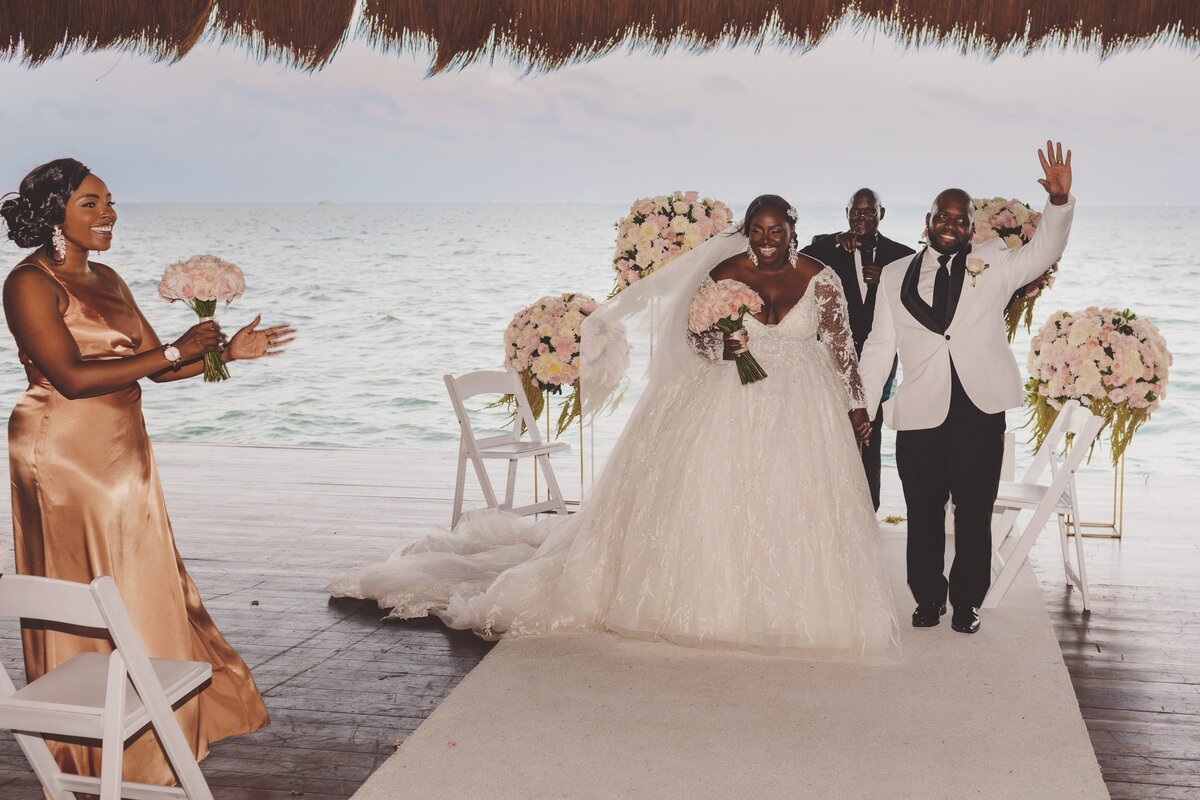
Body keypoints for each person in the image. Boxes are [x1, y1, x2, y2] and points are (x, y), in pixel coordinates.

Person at [329, 194, 900, 661]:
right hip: (731, 395)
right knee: (717, 494)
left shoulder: (822, 278)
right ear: (749, 230)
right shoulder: (725, 272)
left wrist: (856, 406)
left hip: (803, 404)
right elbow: (696, 341)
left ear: (794, 229)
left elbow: (842, 348)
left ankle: (795, 606)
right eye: (759, 229)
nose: (768, 238)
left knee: (795, 501)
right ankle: (718, 604)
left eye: (778, 229)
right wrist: (722, 343)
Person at [1, 158, 295, 785]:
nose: (107, 213)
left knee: (141, 574)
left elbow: (157, 369)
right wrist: (173, 350)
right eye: (89, 202)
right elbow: (71, 378)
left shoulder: (108, 277)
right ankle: (92, 750)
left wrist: (227, 355)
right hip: (63, 453)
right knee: (88, 582)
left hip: (122, 446)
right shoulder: (29, 283)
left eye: (109, 201)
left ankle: (153, 736)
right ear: (55, 212)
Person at [857, 141, 1075, 635]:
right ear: (928, 220)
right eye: (942, 216)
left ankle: (967, 602)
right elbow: (878, 348)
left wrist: (1058, 204)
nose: (950, 224)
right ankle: (927, 599)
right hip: (919, 413)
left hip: (979, 410)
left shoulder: (996, 264)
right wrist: (864, 409)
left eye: (960, 218)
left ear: (971, 227)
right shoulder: (893, 276)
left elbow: (1045, 250)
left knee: (974, 513)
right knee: (923, 513)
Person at [801, 188, 915, 510]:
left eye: (868, 211)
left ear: (882, 213)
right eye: (855, 211)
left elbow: (919, 300)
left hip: (880, 358)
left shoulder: (902, 256)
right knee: (831, 425)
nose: (861, 217)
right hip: (832, 357)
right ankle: (830, 501)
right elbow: (796, 257)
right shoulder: (827, 246)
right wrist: (832, 241)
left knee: (870, 428)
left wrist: (888, 282)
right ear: (846, 213)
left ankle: (868, 505)